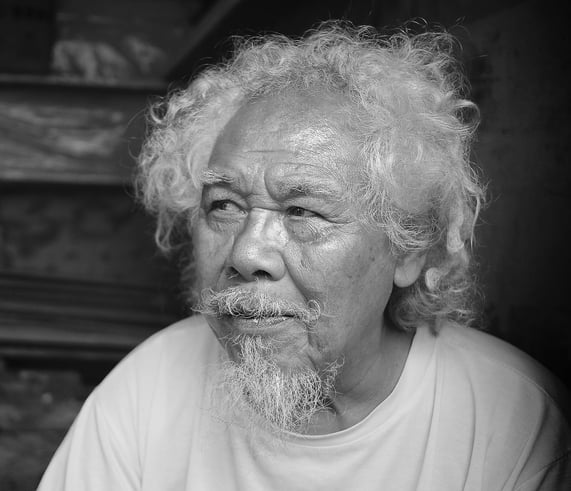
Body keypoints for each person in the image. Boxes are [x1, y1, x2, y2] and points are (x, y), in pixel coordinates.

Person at [37, 20, 570, 490]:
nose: (247, 254)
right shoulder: (146, 389)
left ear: (410, 247)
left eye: (304, 212)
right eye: (223, 205)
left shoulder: (514, 420)